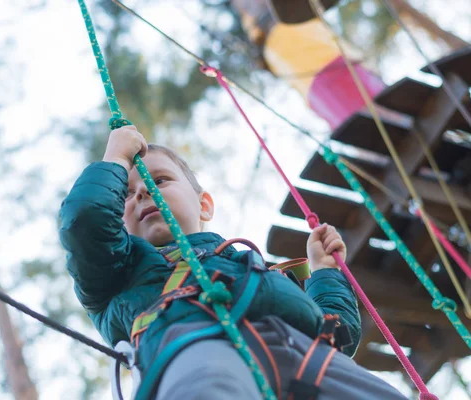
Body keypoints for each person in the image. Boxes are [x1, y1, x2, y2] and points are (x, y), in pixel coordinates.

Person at [59, 126, 407, 399]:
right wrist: (116, 157)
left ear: (205, 205)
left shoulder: (254, 270)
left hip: (303, 356)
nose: (142, 192)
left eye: (159, 180)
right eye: (125, 195)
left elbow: (336, 334)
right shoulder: (116, 273)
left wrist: (325, 273)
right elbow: (86, 220)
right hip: (195, 348)